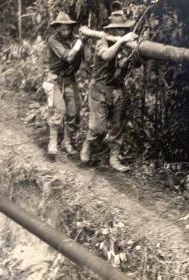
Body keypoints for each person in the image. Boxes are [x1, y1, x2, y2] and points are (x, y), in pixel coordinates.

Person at [79, 10, 139, 172]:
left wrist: (137, 47)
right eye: (118, 29)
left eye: (123, 29)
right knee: (98, 128)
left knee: (118, 126)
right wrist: (120, 42)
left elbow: (138, 62)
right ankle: (88, 144)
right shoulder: (103, 41)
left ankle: (114, 157)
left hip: (118, 89)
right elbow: (105, 56)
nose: (122, 32)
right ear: (111, 30)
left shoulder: (127, 44)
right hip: (100, 89)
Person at [43, 11, 85, 158]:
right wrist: (79, 44)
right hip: (54, 79)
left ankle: (66, 142)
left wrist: (84, 41)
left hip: (69, 79)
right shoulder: (52, 40)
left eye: (68, 28)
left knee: (73, 111)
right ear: (57, 29)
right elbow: (68, 57)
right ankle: (52, 142)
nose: (66, 31)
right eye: (62, 29)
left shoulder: (75, 39)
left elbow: (87, 58)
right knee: (59, 109)